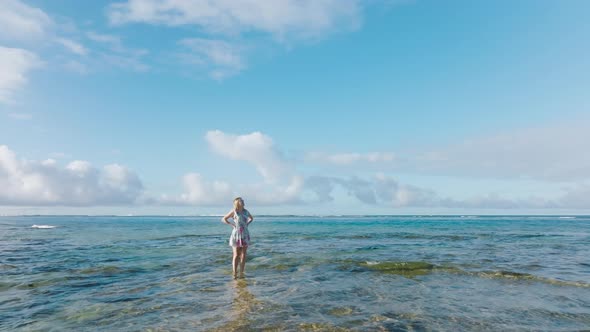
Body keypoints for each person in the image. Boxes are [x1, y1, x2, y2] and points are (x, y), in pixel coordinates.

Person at [222, 197, 254, 279]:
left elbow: (251, 218)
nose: (243, 202)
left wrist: (247, 224)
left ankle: (242, 272)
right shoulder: (234, 211)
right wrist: (232, 225)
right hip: (236, 234)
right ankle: (234, 273)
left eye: (243, 201)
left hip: (245, 234)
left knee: (243, 254)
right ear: (238, 203)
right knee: (236, 254)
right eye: (241, 201)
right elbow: (224, 219)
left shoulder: (246, 211)